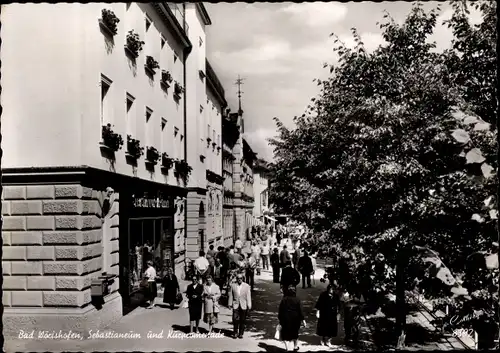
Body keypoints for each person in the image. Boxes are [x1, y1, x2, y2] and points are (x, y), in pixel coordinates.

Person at [278, 285, 306, 351]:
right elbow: (300, 310)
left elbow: (280, 310)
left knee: (285, 334)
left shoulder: (284, 300)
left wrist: (280, 320)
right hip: (295, 320)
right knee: (295, 334)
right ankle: (295, 347)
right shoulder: (297, 299)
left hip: (285, 319)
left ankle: (287, 348)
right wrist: (303, 320)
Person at [228, 273, 252, 339]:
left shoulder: (246, 286)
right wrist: (230, 304)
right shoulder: (233, 286)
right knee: (235, 319)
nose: (239, 280)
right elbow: (231, 295)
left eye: (241, 278)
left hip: (243, 305)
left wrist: (249, 305)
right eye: (238, 278)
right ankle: (235, 332)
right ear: (236, 279)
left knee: (242, 320)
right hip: (236, 304)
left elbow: (248, 296)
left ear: (242, 279)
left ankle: (241, 333)